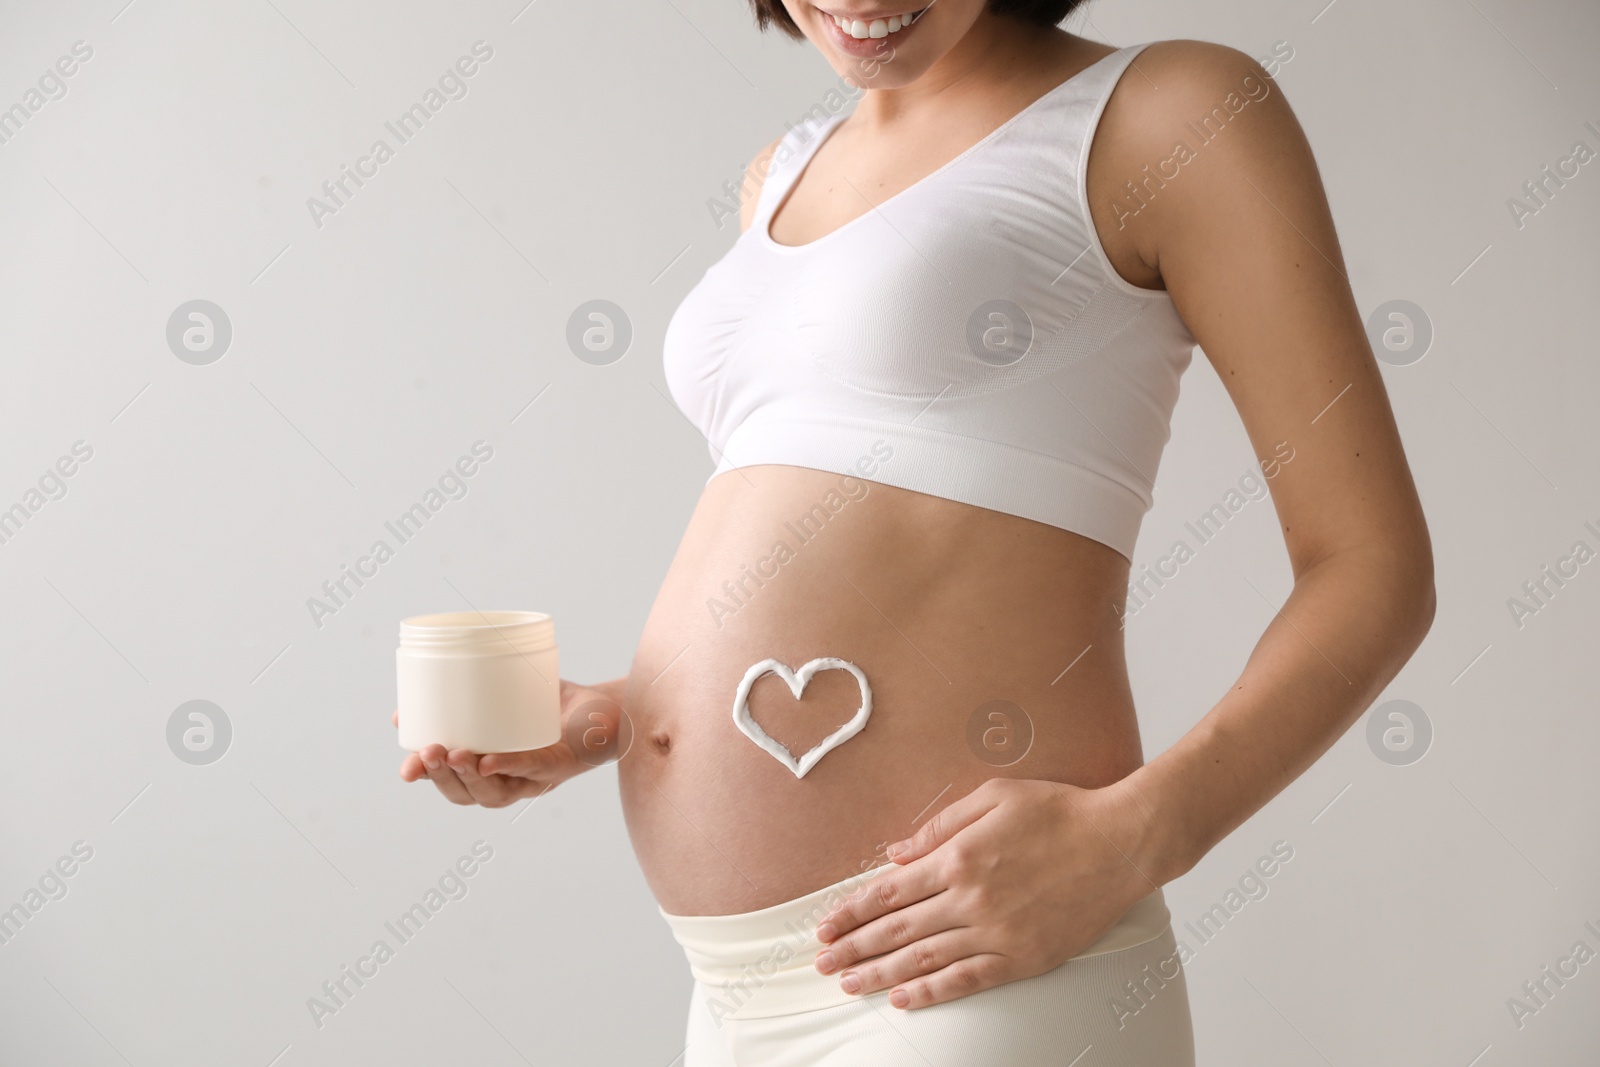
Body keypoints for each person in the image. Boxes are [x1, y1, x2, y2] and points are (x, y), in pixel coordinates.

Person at [398, 1, 1435, 1062]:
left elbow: (1369, 565)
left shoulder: (1168, 113)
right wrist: (621, 717)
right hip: (727, 995)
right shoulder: (782, 172)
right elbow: (847, 550)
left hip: (977, 979)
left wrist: (1139, 833)